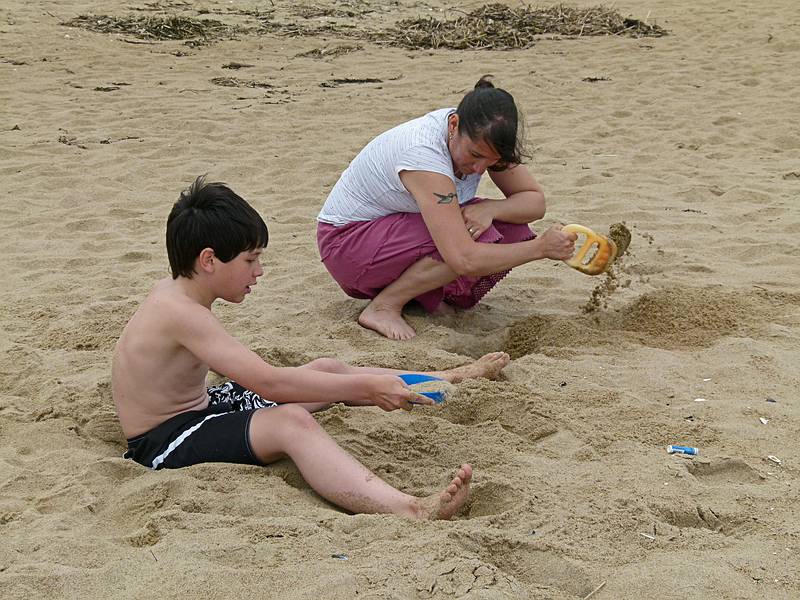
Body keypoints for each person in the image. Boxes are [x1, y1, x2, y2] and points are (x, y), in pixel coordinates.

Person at [112, 176, 512, 520]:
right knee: (292, 423)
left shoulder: (177, 292)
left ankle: (446, 377)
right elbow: (270, 385)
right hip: (166, 440)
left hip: (203, 409)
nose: (259, 271)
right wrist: (367, 391)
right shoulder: (183, 313)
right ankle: (411, 508)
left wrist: (356, 387)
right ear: (209, 260)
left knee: (327, 368)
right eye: (251, 260)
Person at [317, 75, 578, 341]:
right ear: (454, 124)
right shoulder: (425, 153)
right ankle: (384, 306)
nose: (479, 169)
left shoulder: (483, 139)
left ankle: (423, 295)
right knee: (471, 235)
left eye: (491, 162)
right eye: (475, 156)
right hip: (346, 244)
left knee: (507, 226)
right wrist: (540, 249)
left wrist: (491, 208)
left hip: (393, 234)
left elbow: (534, 201)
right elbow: (463, 258)